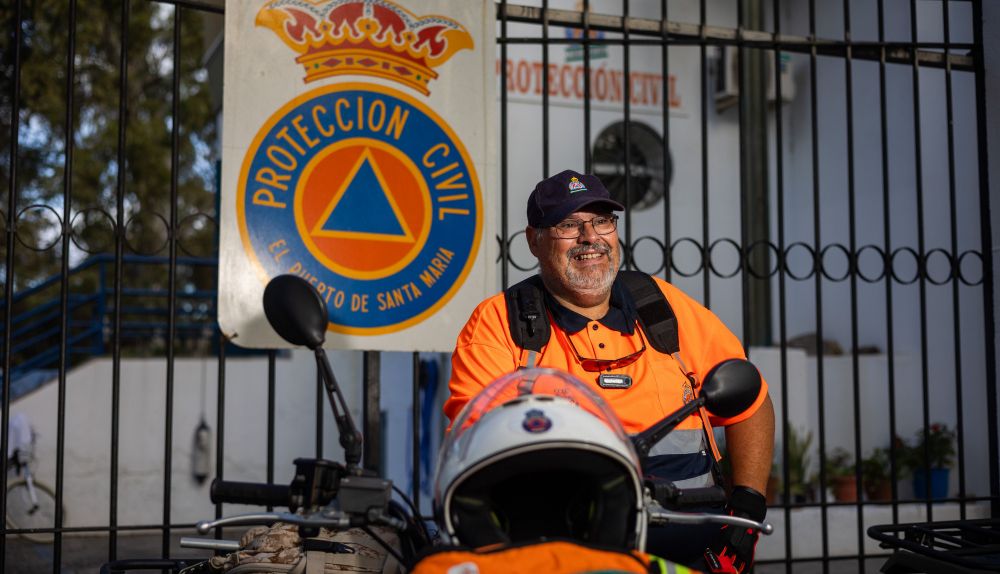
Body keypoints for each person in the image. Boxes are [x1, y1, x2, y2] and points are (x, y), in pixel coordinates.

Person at [445, 169, 775, 573]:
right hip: (566, 560)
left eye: (602, 221)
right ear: (534, 240)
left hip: (694, 555)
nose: (590, 238)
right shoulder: (500, 322)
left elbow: (750, 400)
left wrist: (747, 509)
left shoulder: (661, 307)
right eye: (569, 225)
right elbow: (473, 450)